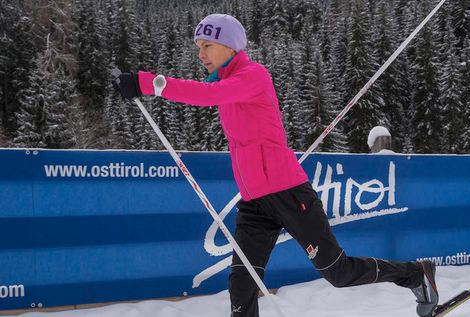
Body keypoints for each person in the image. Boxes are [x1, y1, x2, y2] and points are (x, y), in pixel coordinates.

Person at [112, 13, 438, 317]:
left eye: (207, 46)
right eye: (198, 47)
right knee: (241, 284)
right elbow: (213, 95)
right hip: (254, 203)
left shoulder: (253, 76)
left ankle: (414, 274)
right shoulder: (224, 85)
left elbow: (208, 95)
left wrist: (147, 83)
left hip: (289, 193)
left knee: (338, 273)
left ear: (230, 45)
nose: (201, 55)